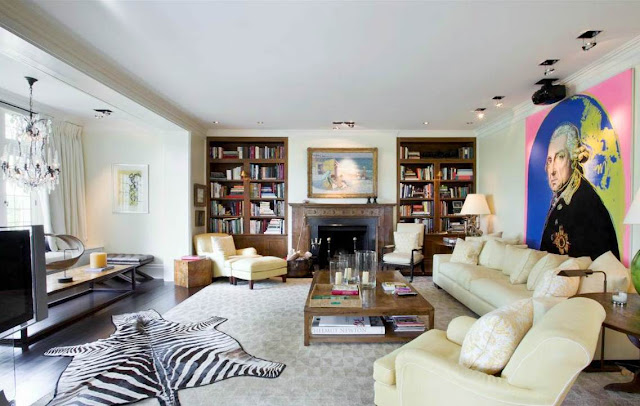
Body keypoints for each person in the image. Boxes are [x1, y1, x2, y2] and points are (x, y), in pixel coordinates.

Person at [540, 123, 619, 259]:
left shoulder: (585, 201)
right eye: (549, 160)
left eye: (560, 157)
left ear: (573, 159)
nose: (552, 170)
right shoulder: (565, 195)